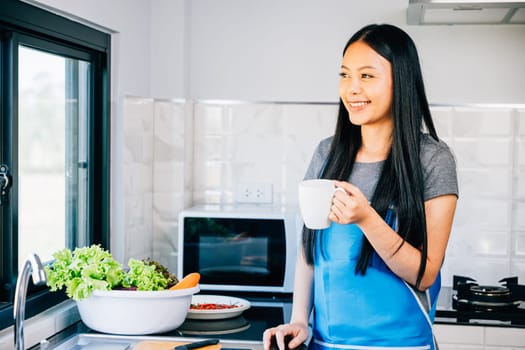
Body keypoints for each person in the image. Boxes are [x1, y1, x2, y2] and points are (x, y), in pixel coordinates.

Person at [262, 23, 458, 350]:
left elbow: (424, 274)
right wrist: (299, 319)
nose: (352, 88)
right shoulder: (328, 153)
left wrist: (367, 218)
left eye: (367, 76)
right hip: (327, 345)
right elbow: (308, 248)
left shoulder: (433, 160)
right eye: (344, 75)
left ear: (402, 81)